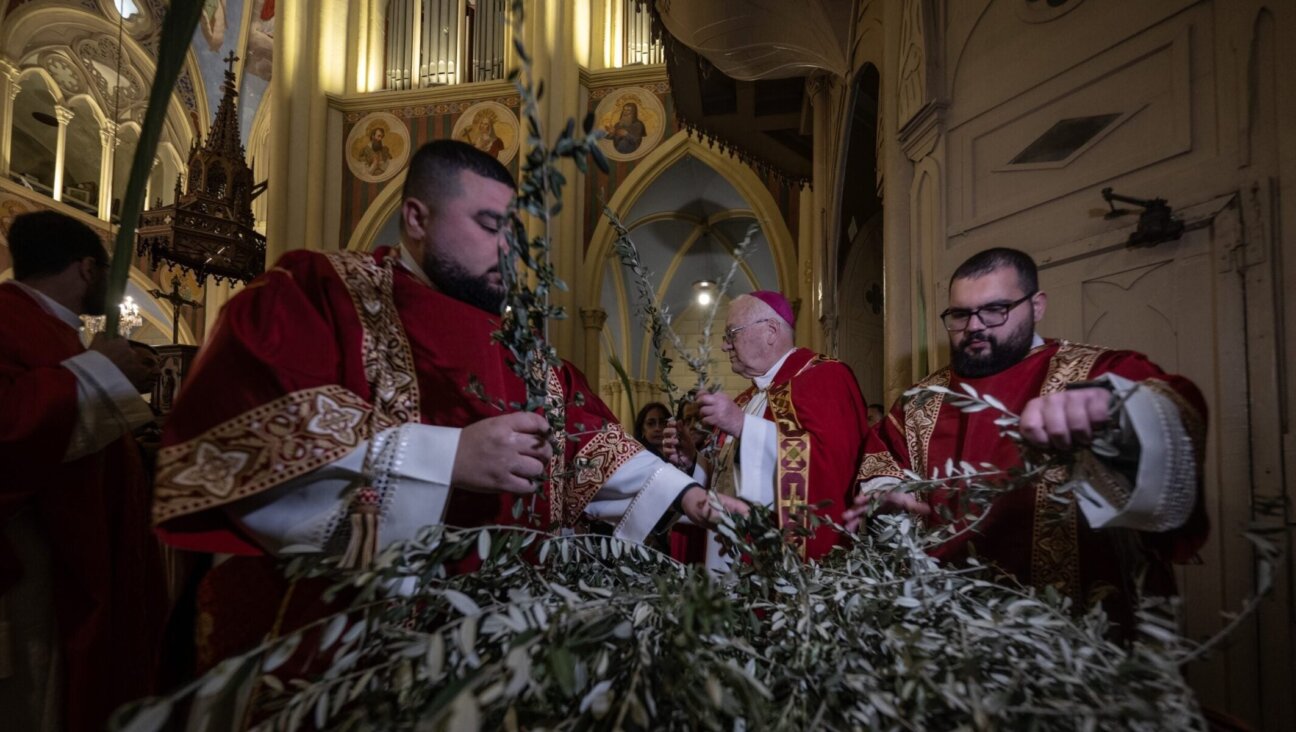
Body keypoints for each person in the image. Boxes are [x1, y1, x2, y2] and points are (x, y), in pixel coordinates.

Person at [154, 140, 728, 668]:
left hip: (493, 647)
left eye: (514, 231)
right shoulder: (320, 292)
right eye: (488, 225)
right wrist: (446, 458)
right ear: (416, 218)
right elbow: (259, 440)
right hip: (341, 650)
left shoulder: (523, 350)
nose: (508, 249)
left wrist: (685, 494)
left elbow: (584, 436)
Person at [847, 247, 1209, 626]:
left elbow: (1174, 418)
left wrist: (1115, 413)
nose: (975, 326)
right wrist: (886, 498)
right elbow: (882, 458)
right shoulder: (921, 399)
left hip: (1078, 627)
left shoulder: (1096, 373)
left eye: (995, 309)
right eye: (960, 314)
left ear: (1036, 306)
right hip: (952, 620)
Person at [0, 211, 166, 732]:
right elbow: (11, 429)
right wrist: (102, 373)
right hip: (33, 567)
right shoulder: (9, 320)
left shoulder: (50, 329)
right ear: (88, 269)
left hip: (70, 554)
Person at [663, 291, 870, 563]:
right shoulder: (746, 399)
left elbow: (833, 469)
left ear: (771, 331)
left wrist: (742, 426)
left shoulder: (826, 377)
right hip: (729, 557)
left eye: (731, 334)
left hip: (784, 563)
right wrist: (694, 462)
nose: (725, 346)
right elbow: (729, 481)